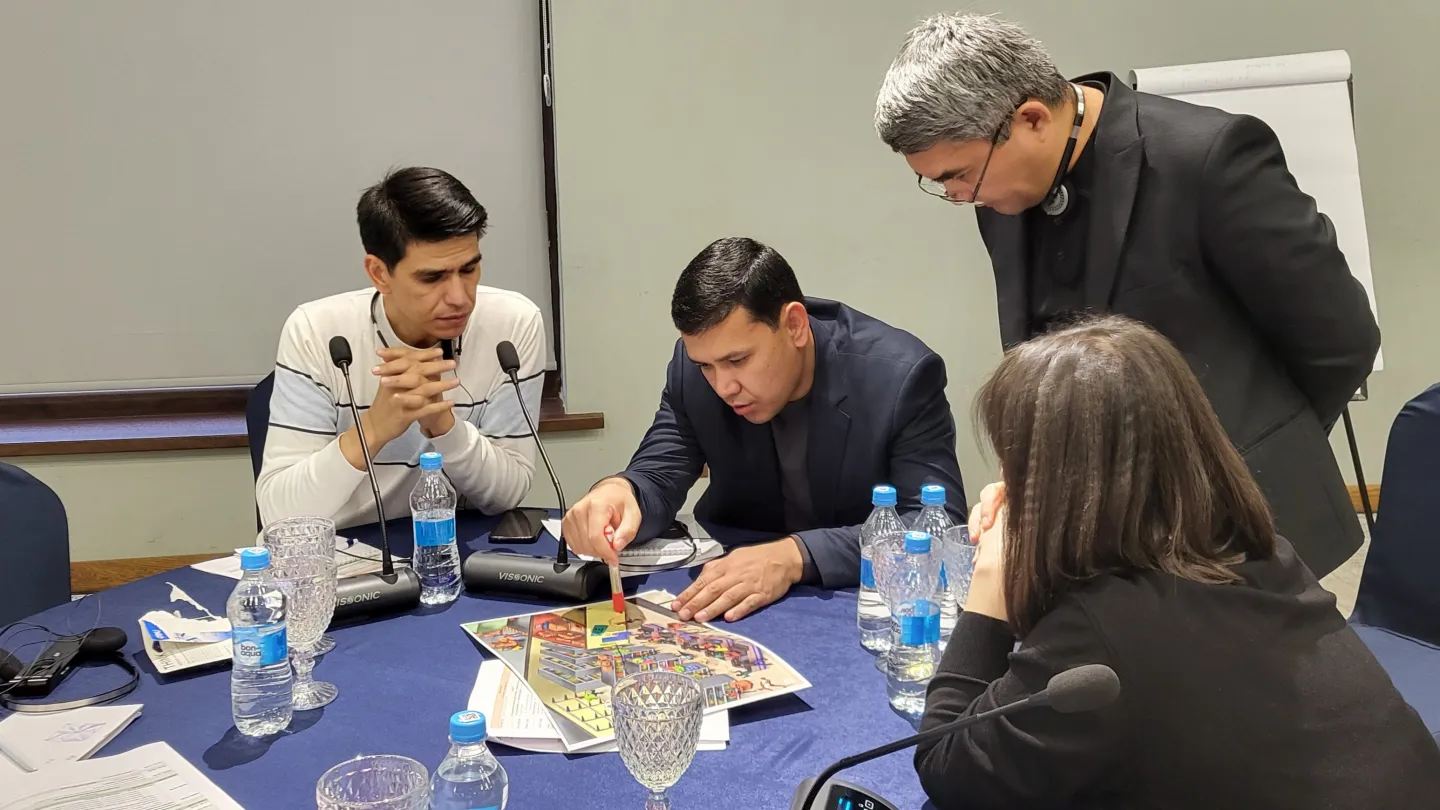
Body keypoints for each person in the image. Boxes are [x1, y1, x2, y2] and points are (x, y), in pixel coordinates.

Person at [874, 13, 1381, 579]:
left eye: (960, 175)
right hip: (1100, 534)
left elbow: (1342, 339)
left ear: (1032, 119)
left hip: (1240, 526)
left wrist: (1252, 453)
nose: (958, 196)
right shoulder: (1002, 193)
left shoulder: (1206, 157)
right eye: (940, 183)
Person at [913, 315, 1440, 810]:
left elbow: (947, 763)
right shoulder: (1259, 553)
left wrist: (992, 584)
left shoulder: (1101, 635)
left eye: (1014, 462)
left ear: (1054, 483)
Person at [561, 236, 965, 622]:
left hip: (855, 602)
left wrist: (794, 556)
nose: (723, 386)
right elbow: (659, 473)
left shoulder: (899, 377)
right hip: (730, 593)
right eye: (706, 366)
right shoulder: (692, 370)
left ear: (795, 325)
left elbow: (935, 524)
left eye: (737, 361)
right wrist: (620, 492)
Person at [256, 167, 545, 529]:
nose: (459, 298)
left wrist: (444, 426)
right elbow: (280, 515)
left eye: (469, 269)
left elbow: (506, 496)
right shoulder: (316, 331)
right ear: (379, 273)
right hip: (341, 552)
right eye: (433, 277)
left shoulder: (512, 325)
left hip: (450, 548)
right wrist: (374, 428)